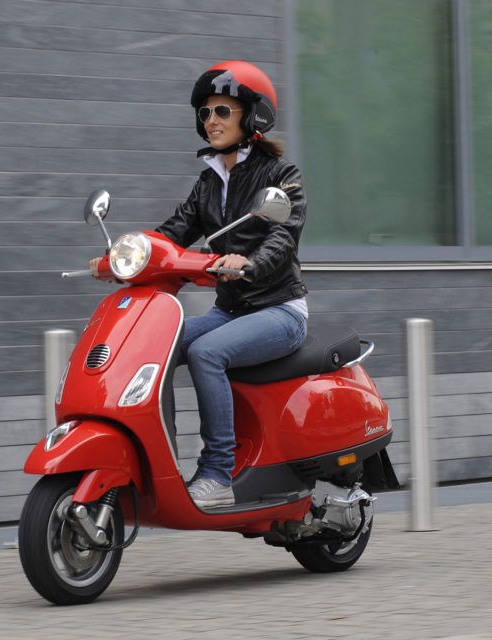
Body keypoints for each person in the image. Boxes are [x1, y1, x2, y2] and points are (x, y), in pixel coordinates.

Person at [92, 60, 308, 509]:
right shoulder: (210, 180)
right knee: (153, 346)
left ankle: (217, 474)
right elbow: (172, 234)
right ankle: (154, 461)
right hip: (229, 312)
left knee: (207, 352)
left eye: (222, 111)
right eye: (205, 112)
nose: (211, 120)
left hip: (279, 310)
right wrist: (123, 258)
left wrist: (248, 263)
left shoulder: (280, 176)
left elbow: (282, 237)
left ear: (253, 116)